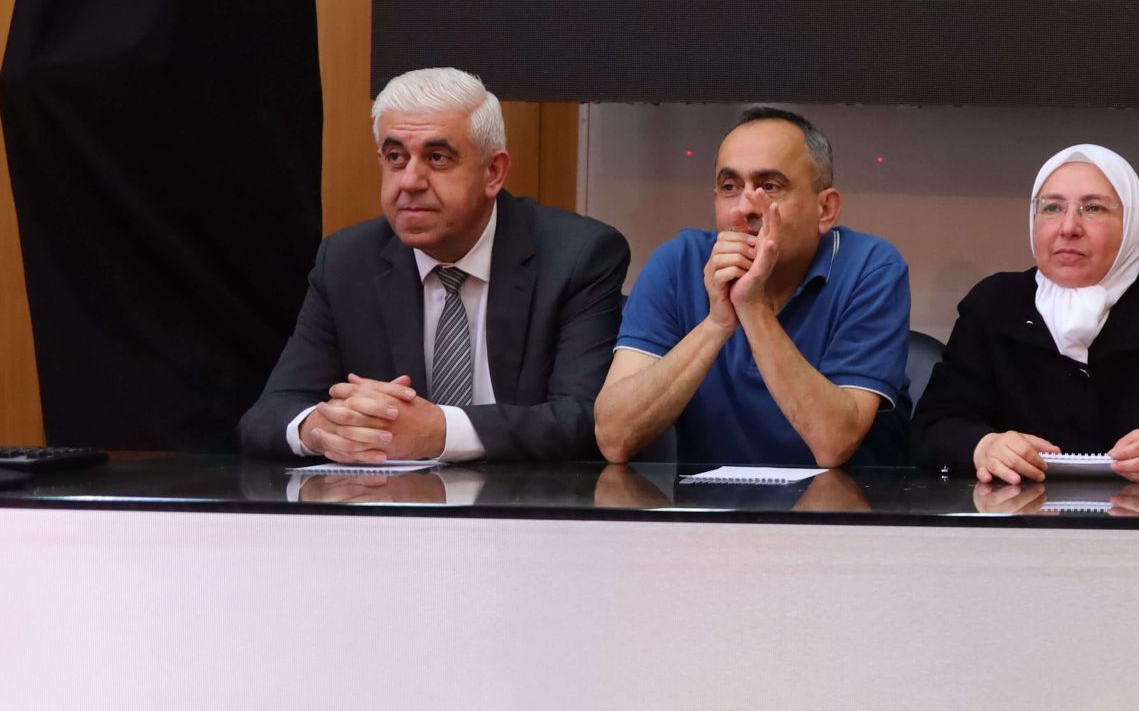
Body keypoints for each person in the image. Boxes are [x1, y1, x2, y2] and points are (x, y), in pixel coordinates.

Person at [239, 68, 630, 463]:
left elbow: (584, 419)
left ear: (493, 172)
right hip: (388, 500)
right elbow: (269, 413)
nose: (410, 181)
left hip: (527, 497)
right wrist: (323, 430)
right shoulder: (347, 261)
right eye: (395, 157)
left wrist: (441, 431)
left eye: (437, 158)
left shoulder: (578, 256)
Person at [913, 145, 1139, 484]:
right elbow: (933, 427)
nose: (1068, 227)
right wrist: (982, 447)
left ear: (1130, 221)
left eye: (1093, 208)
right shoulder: (993, 303)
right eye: (1052, 207)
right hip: (1016, 512)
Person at [596, 106, 910, 466]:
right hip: (709, 502)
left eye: (769, 187)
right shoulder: (679, 261)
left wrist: (752, 307)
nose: (745, 208)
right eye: (729, 187)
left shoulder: (870, 267)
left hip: (843, 501)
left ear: (825, 209)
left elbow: (833, 443)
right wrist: (716, 324)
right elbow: (613, 437)